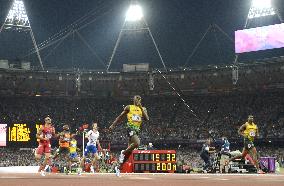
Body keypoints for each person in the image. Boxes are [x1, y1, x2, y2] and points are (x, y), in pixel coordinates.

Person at [109, 95, 149, 176]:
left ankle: (119, 167)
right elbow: (120, 116)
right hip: (130, 128)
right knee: (137, 143)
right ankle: (123, 153)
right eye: (136, 98)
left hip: (137, 130)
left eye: (139, 99)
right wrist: (113, 125)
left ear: (140, 100)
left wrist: (141, 107)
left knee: (129, 152)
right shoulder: (129, 107)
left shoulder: (143, 109)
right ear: (133, 100)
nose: (137, 100)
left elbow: (147, 118)